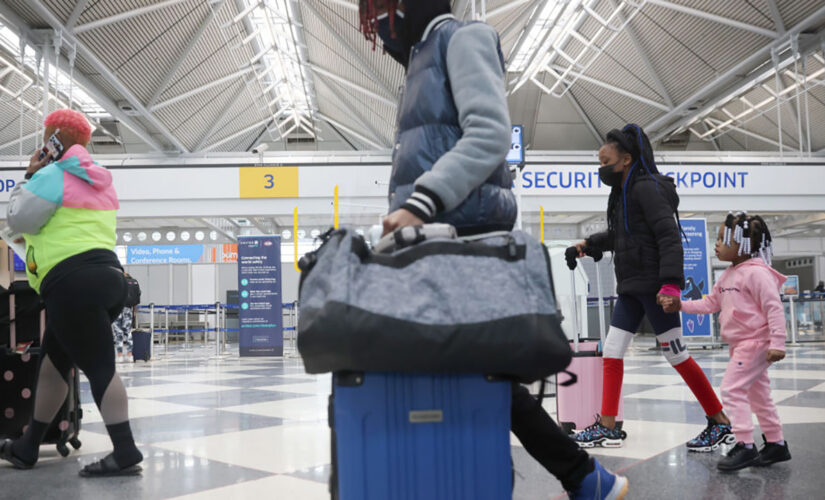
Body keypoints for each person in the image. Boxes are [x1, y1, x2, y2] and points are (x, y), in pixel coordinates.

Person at [359, 2, 627, 498]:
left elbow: (489, 134)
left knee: (467, 372)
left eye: (384, 6)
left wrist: (420, 203)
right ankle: (583, 478)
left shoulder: (464, 38)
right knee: (471, 374)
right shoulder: (420, 61)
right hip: (435, 240)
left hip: (464, 235)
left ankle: (579, 477)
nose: (378, 21)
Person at [570, 124, 733, 452]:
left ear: (626, 159)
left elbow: (669, 236)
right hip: (632, 289)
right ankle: (608, 426)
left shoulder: (644, 188)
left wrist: (672, 285)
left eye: (605, 162)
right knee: (612, 351)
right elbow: (624, 237)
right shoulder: (624, 194)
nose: (601, 168)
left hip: (656, 290)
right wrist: (589, 244)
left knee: (678, 355)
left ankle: (719, 422)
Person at [0, 109, 142, 476]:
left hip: (72, 282)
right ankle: (27, 447)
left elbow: (18, 220)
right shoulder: (102, 180)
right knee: (53, 364)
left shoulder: (52, 175)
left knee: (99, 368)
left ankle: (126, 451)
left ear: (52, 140)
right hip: (108, 278)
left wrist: (30, 173)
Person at [662, 213, 791, 471]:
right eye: (718, 238)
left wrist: (778, 342)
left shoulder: (757, 274)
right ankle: (776, 444)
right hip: (740, 344)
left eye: (724, 238)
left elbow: (774, 308)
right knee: (759, 395)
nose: (717, 244)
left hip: (755, 343)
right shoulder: (729, 274)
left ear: (745, 243)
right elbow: (711, 302)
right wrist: (681, 305)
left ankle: (744, 445)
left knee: (731, 389)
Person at [113, 273, 141, 363]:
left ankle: (119, 355)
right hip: (128, 309)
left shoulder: (117, 281)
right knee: (128, 332)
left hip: (117, 309)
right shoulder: (134, 283)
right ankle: (130, 355)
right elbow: (137, 298)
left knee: (118, 333)